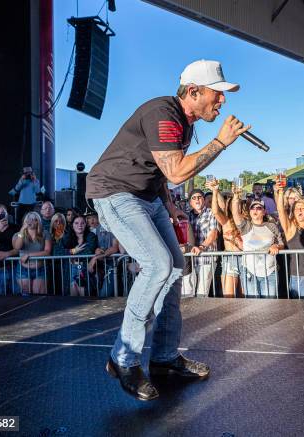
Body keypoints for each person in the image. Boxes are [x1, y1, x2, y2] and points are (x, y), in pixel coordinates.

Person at [86, 59, 248, 400]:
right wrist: (221, 143)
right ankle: (123, 358)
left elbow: (159, 173)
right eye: (217, 95)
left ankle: (163, 358)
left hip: (148, 196)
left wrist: (170, 208)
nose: (222, 102)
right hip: (114, 192)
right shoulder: (163, 112)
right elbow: (176, 172)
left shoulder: (186, 125)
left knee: (176, 268)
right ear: (193, 92)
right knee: (158, 265)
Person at [231, 188, 284, 298]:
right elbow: (235, 213)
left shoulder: (271, 226)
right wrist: (236, 197)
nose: (255, 210)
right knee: (252, 305)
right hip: (249, 271)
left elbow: (281, 244)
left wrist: (276, 246)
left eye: (259, 208)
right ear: (250, 211)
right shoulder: (246, 226)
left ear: (264, 211)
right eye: (252, 208)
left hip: (270, 272)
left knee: (269, 305)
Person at [207, 178, 243, 297]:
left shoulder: (246, 221)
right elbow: (216, 211)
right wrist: (215, 192)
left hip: (246, 259)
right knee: (229, 297)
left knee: (245, 296)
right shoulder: (227, 221)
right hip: (230, 258)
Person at [183, 188, 218, 297]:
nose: (197, 200)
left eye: (199, 197)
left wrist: (202, 247)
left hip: (206, 258)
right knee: (188, 293)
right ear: (190, 202)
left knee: (202, 294)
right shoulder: (186, 216)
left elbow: (213, 233)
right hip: (191, 260)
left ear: (204, 199)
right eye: (194, 198)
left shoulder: (211, 212)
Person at [12, 212, 52, 294]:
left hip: (40, 268)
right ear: (25, 221)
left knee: (39, 295)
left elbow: (47, 252)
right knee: (26, 295)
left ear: (38, 221)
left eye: (34, 219)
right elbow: (17, 247)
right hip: (23, 269)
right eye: (29, 219)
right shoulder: (18, 234)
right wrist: (22, 230)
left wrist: (29, 255)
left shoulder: (45, 233)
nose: (31, 221)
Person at [63, 215, 98, 296]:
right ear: (72, 225)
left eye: (82, 223)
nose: (80, 225)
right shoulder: (67, 237)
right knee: (72, 298)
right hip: (71, 269)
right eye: (76, 223)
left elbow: (89, 251)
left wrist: (71, 255)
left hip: (85, 269)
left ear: (86, 224)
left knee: (85, 299)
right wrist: (73, 250)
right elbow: (57, 252)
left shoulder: (91, 236)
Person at [86, 213, 120, 297]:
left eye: (94, 217)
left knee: (105, 293)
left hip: (113, 264)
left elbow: (115, 247)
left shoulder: (113, 226)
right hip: (101, 265)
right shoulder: (96, 229)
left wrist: (98, 256)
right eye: (90, 218)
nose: (92, 220)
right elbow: (96, 246)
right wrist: (96, 250)